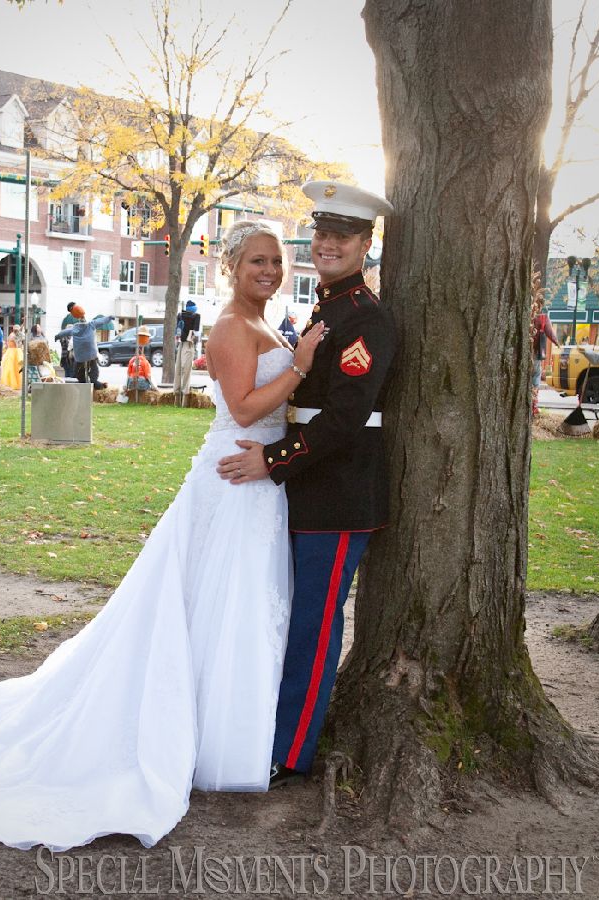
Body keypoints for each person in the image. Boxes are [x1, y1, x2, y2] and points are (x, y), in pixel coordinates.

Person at [0, 220, 324, 852]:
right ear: (230, 267)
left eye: (276, 261)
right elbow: (247, 406)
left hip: (260, 481)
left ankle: (227, 731)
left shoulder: (267, 323)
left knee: (238, 608)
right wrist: (301, 367)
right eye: (257, 261)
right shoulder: (228, 326)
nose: (269, 271)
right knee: (217, 602)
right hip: (232, 482)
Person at [217, 181, 397, 788]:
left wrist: (274, 460)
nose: (328, 244)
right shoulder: (327, 308)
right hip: (307, 488)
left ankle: (289, 752)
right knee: (289, 619)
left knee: (312, 628)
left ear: (365, 245)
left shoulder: (365, 318)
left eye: (341, 236)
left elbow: (346, 419)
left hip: (340, 494)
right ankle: (272, 733)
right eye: (321, 233)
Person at [55, 305, 113, 391]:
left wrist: (57, 336)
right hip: (91, 355)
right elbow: (101, 321)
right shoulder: (91, 325)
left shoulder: (75, 328)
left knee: (78, 374)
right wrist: (109, 318)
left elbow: (65, 332)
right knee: (94, 372)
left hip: (80, 357)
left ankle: (85, 384)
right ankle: (95, 383)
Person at [173, 300, 201, 406]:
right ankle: (184, 399)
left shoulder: (180, 315)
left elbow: (177, 330)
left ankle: (177, 399)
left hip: (181, 343)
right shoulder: (196, 316)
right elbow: (196, 331)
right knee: (186, 370)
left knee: (178, 369)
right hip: (189, 344)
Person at [531, 308, 559, 415]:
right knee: (535, 379)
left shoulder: (529, 314)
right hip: (535, 354)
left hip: (524, 352)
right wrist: (557, 343)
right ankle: (534, 405)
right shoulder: (543, 317)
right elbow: (550, 333)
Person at [59, 301, 78, 378]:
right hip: (68, 358)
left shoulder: (69, 318)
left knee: (70, 374)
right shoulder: (71, 318)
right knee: (70, 375)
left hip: (70, 358)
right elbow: (66, 344)